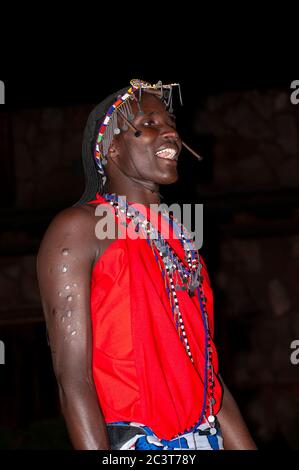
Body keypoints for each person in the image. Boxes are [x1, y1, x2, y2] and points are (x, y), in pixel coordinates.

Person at [37, 79, 257, 450]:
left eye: (169, 122)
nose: (170, 131)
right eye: (149, 123)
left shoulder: (181, 242)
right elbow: (73, 380)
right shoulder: (78, 230)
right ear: (111, 148)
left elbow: (208, 380)